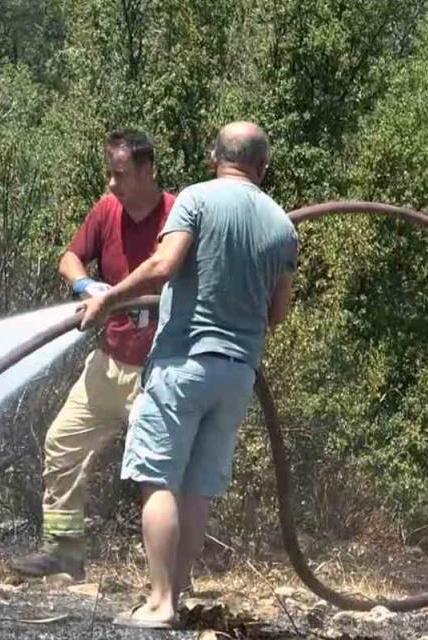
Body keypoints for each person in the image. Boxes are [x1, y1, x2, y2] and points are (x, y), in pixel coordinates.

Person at [81, 121, 299, 629]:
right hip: (238, 373)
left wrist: (106, 299)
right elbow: (278, 313)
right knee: (198, 489)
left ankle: (159, 604)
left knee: (158, 478)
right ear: (263, 167)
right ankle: (174, 597)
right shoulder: (282, 226)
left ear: (212, 156)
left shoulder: (195, 200)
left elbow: (165, 264)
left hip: (183, 361)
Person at [9, 129, 175, 579]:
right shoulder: (107, 210)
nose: (110, 184)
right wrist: (84, 284)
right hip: (108, 363)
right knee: (63, 441)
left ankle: (170, 578)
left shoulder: (177, 214)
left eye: (119, 174)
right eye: (109, 173)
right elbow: (69, 256)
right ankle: (63, 551)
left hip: (159, 371)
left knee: (160, 472)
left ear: (146, 171)